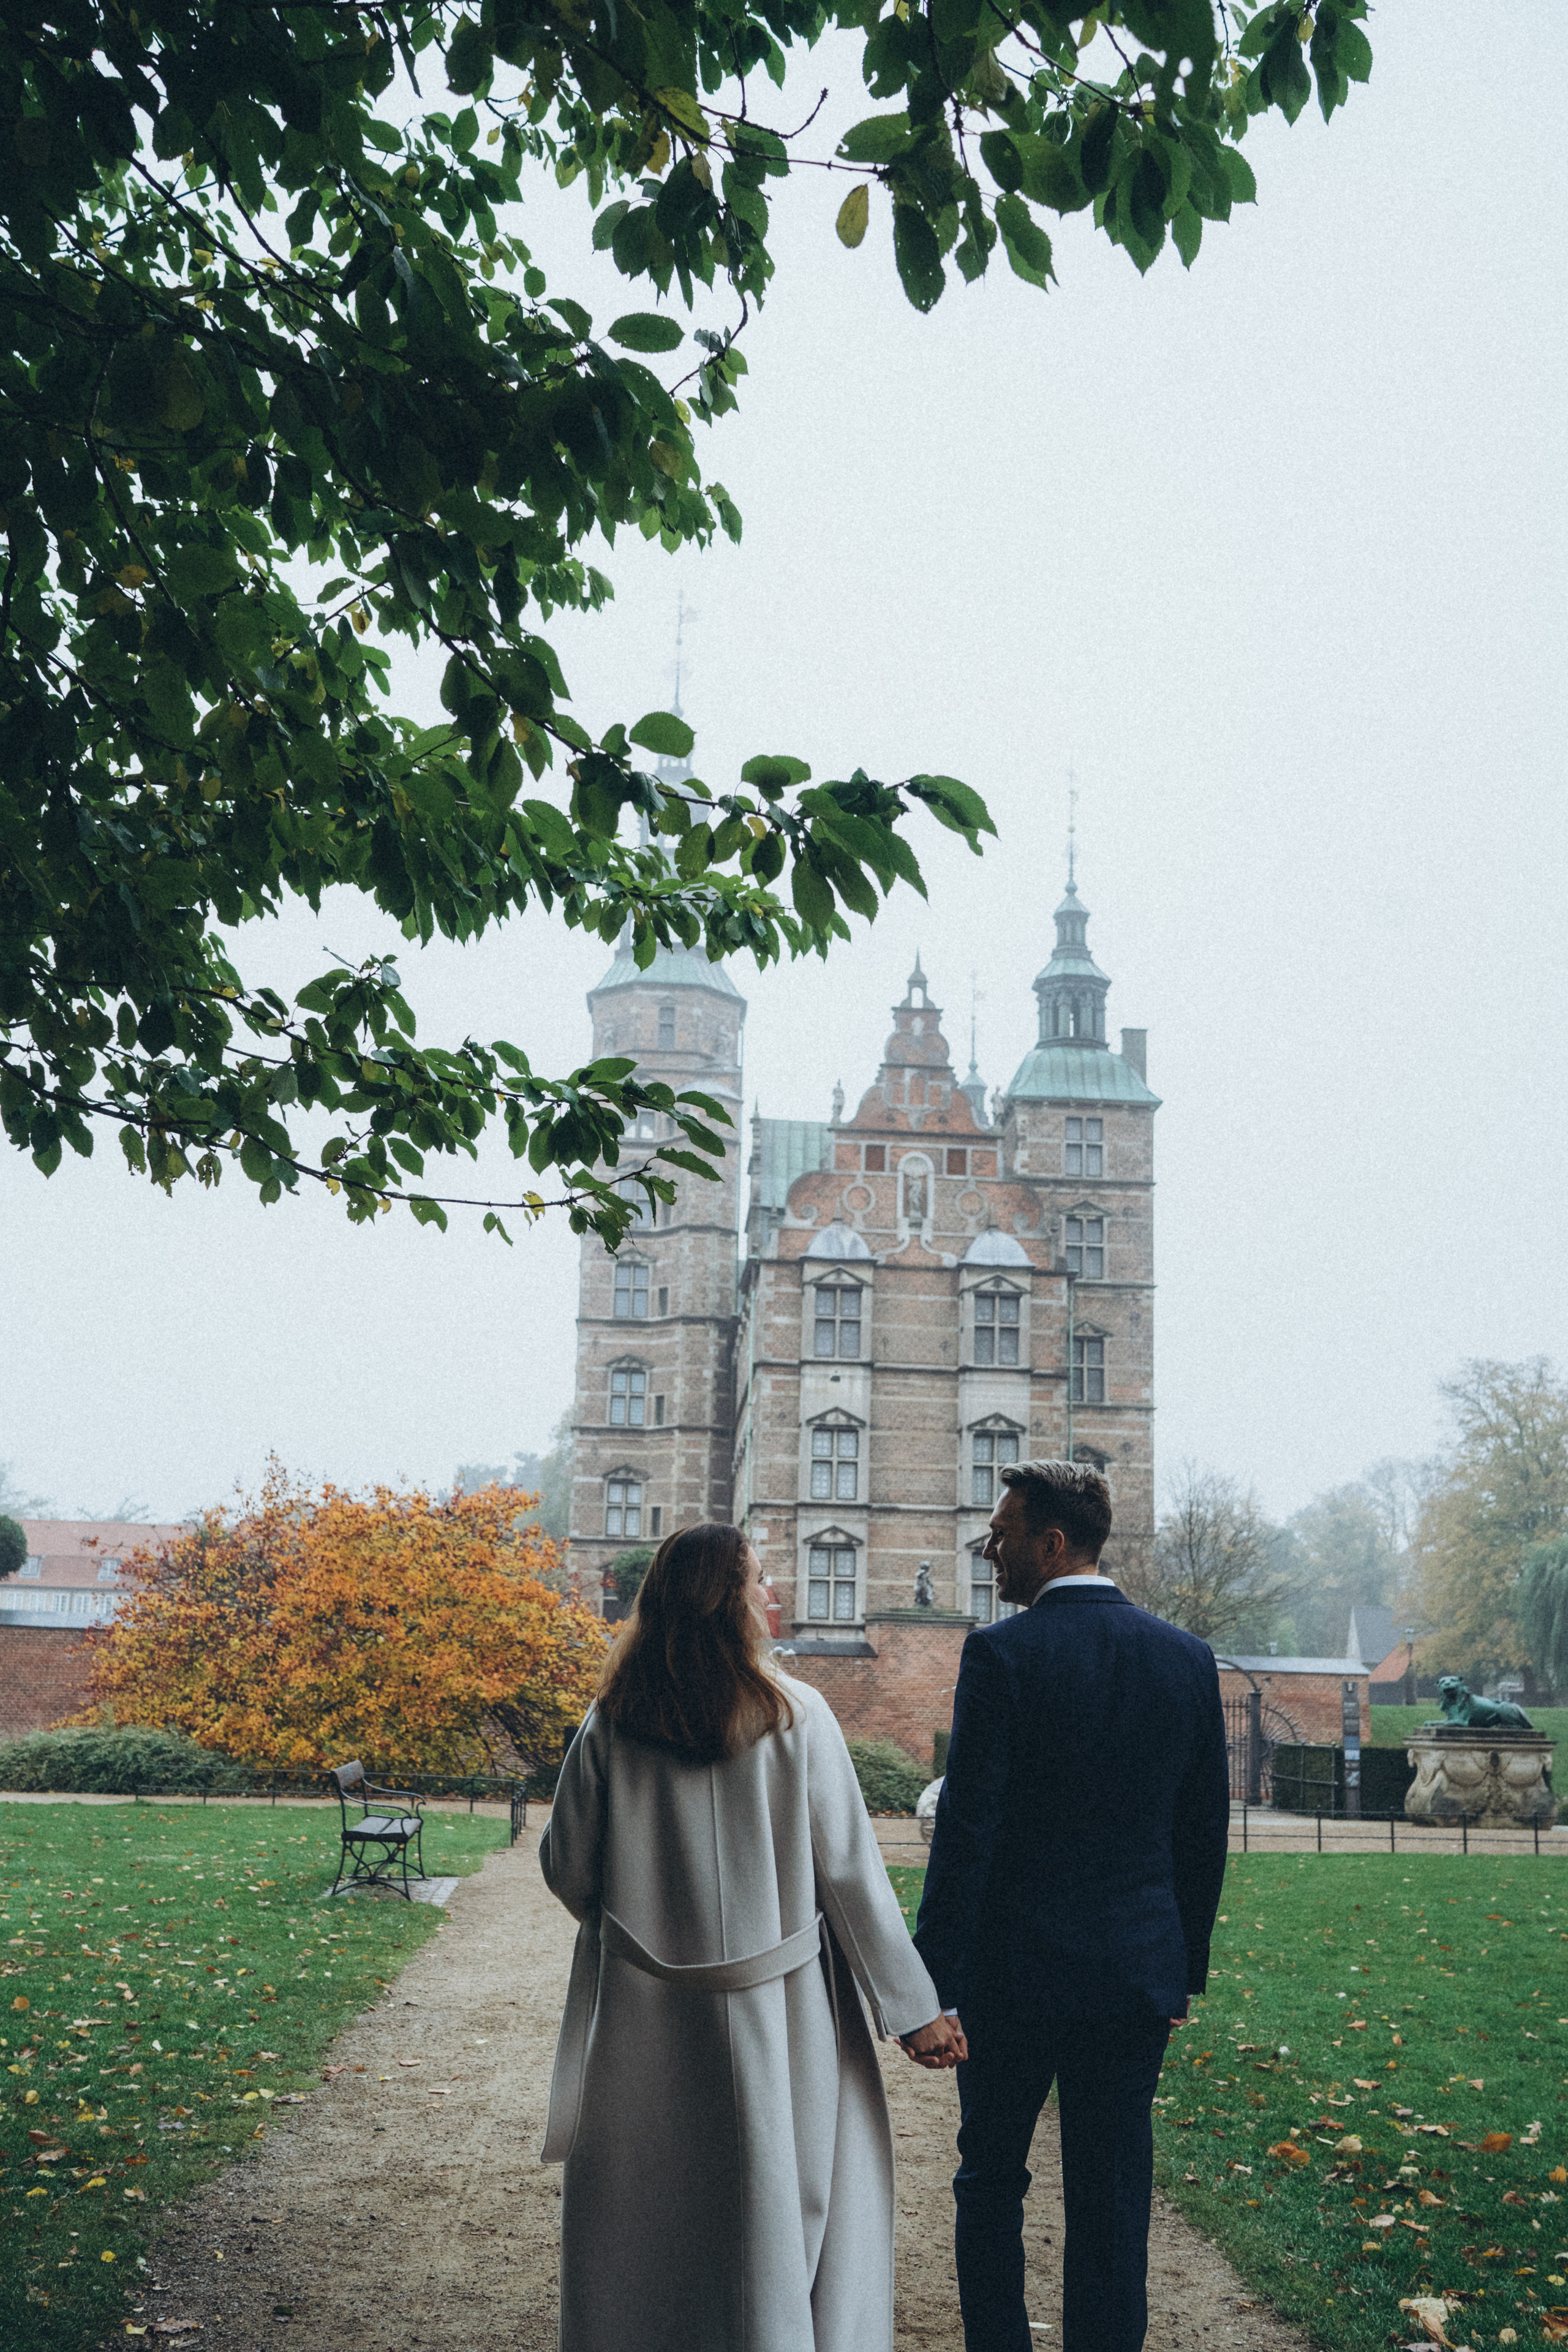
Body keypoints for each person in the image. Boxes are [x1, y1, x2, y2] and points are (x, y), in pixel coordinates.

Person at [539, 1520, 963, 2352]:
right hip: (784, 2014)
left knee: (652, 2212)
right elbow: (849, 1877)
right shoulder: (797, 1715)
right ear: (725, 1603)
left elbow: (567, 1871)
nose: (771, 1596)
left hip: (644, 2015)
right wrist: (914, 2011)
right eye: (759, 1581)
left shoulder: (613, 1722)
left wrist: (646, 1918)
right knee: (781, 2197)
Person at [914, 1460, 1229, 2352]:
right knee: (1113, 2193)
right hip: (1135, 1976)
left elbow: (967, 1831)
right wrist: (1180, 1977)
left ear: (1052, 1544)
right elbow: (1201, 1835)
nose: (990, 1548)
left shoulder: (1002, 1654)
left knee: (989, 2183)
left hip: (1010, 1977)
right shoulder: (1185, 1657)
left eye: (1003, 1532)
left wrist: (930, 1986)